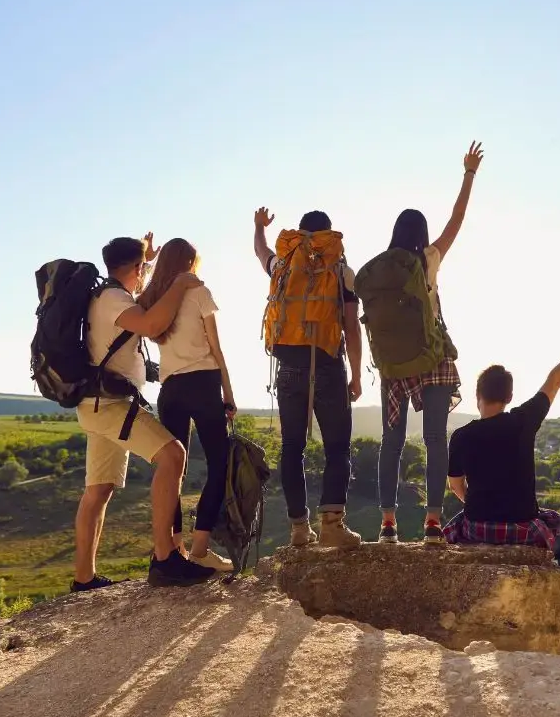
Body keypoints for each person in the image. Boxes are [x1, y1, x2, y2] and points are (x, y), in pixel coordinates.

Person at [73, 234, 217, 591]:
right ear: (134, 268)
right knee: (173, 455)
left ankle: (83, 579)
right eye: (142, 269)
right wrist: (182, 281)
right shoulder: (113, 298)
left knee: (98, 489)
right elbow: (153, 325)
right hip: (110, 405)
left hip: (96, 404)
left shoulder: (104, 296)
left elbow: (142, 303)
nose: (144, 274)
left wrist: (149, 260)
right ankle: (166, 559)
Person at [376, 142, 484, 546]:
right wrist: (469, 173)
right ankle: (433, 523)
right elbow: (457, 220)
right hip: (432, 358)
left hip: (392, 363)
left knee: (393, 441)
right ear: (420, 235)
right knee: (435, 439)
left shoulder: (381, 270)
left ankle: (388, 524)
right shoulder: (429, 259)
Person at [252, 207, 363, 548]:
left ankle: (299, 528)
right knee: (337, 447)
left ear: (300, 234)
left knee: (292, 448)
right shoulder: (341, 269)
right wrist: (356, 375)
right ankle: (332, 524)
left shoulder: (283, 265)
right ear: (328, 234)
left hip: (287, 369)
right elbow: (351, 325)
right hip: (328, 366)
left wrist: (259, 227)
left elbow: (261, 252)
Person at [443, 331, 560, 552]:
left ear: (477, 394)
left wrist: (485, 508)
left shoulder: (460, 436)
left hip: (476, 529)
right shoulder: (523, 421)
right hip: (524, 531)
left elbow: (456, 485)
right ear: (509, 397)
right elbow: (554, 381)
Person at [136, 237, 236, 573]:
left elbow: (136, 293)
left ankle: (175, 548)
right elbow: (217, 349)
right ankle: (201, 549)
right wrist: (229, 394)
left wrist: (147, 261)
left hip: (171, 389)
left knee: (172, 471)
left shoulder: (155, 300)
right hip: (204, 383)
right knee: (219, 464)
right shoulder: (199, 293)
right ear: (190, 263)